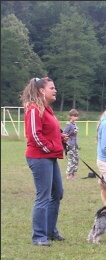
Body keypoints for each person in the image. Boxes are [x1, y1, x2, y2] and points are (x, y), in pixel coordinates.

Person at [21, 77, 68, 246]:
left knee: (57, 193)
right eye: (52, 88)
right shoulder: (34, 109)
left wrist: (60, 137)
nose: (55, 91)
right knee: (44, 196)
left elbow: (48, 131)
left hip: (50, 156)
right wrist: (50, 147)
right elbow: (34, 135)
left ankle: (50, 231)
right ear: (42, 91)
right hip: (40, 157)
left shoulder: (48, 110)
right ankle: (39, 237)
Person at [63, 109, 80, 180]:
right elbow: (64, 134)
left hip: (75, 145)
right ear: (71, 116)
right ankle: (69, 175)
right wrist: (73, 132)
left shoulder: (74, 124)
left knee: (76, 160)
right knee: (71, 160)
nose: (76, 118)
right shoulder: (69, 125)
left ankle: (73, 175)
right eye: (74, 116)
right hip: (70, 145)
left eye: (77, 116)